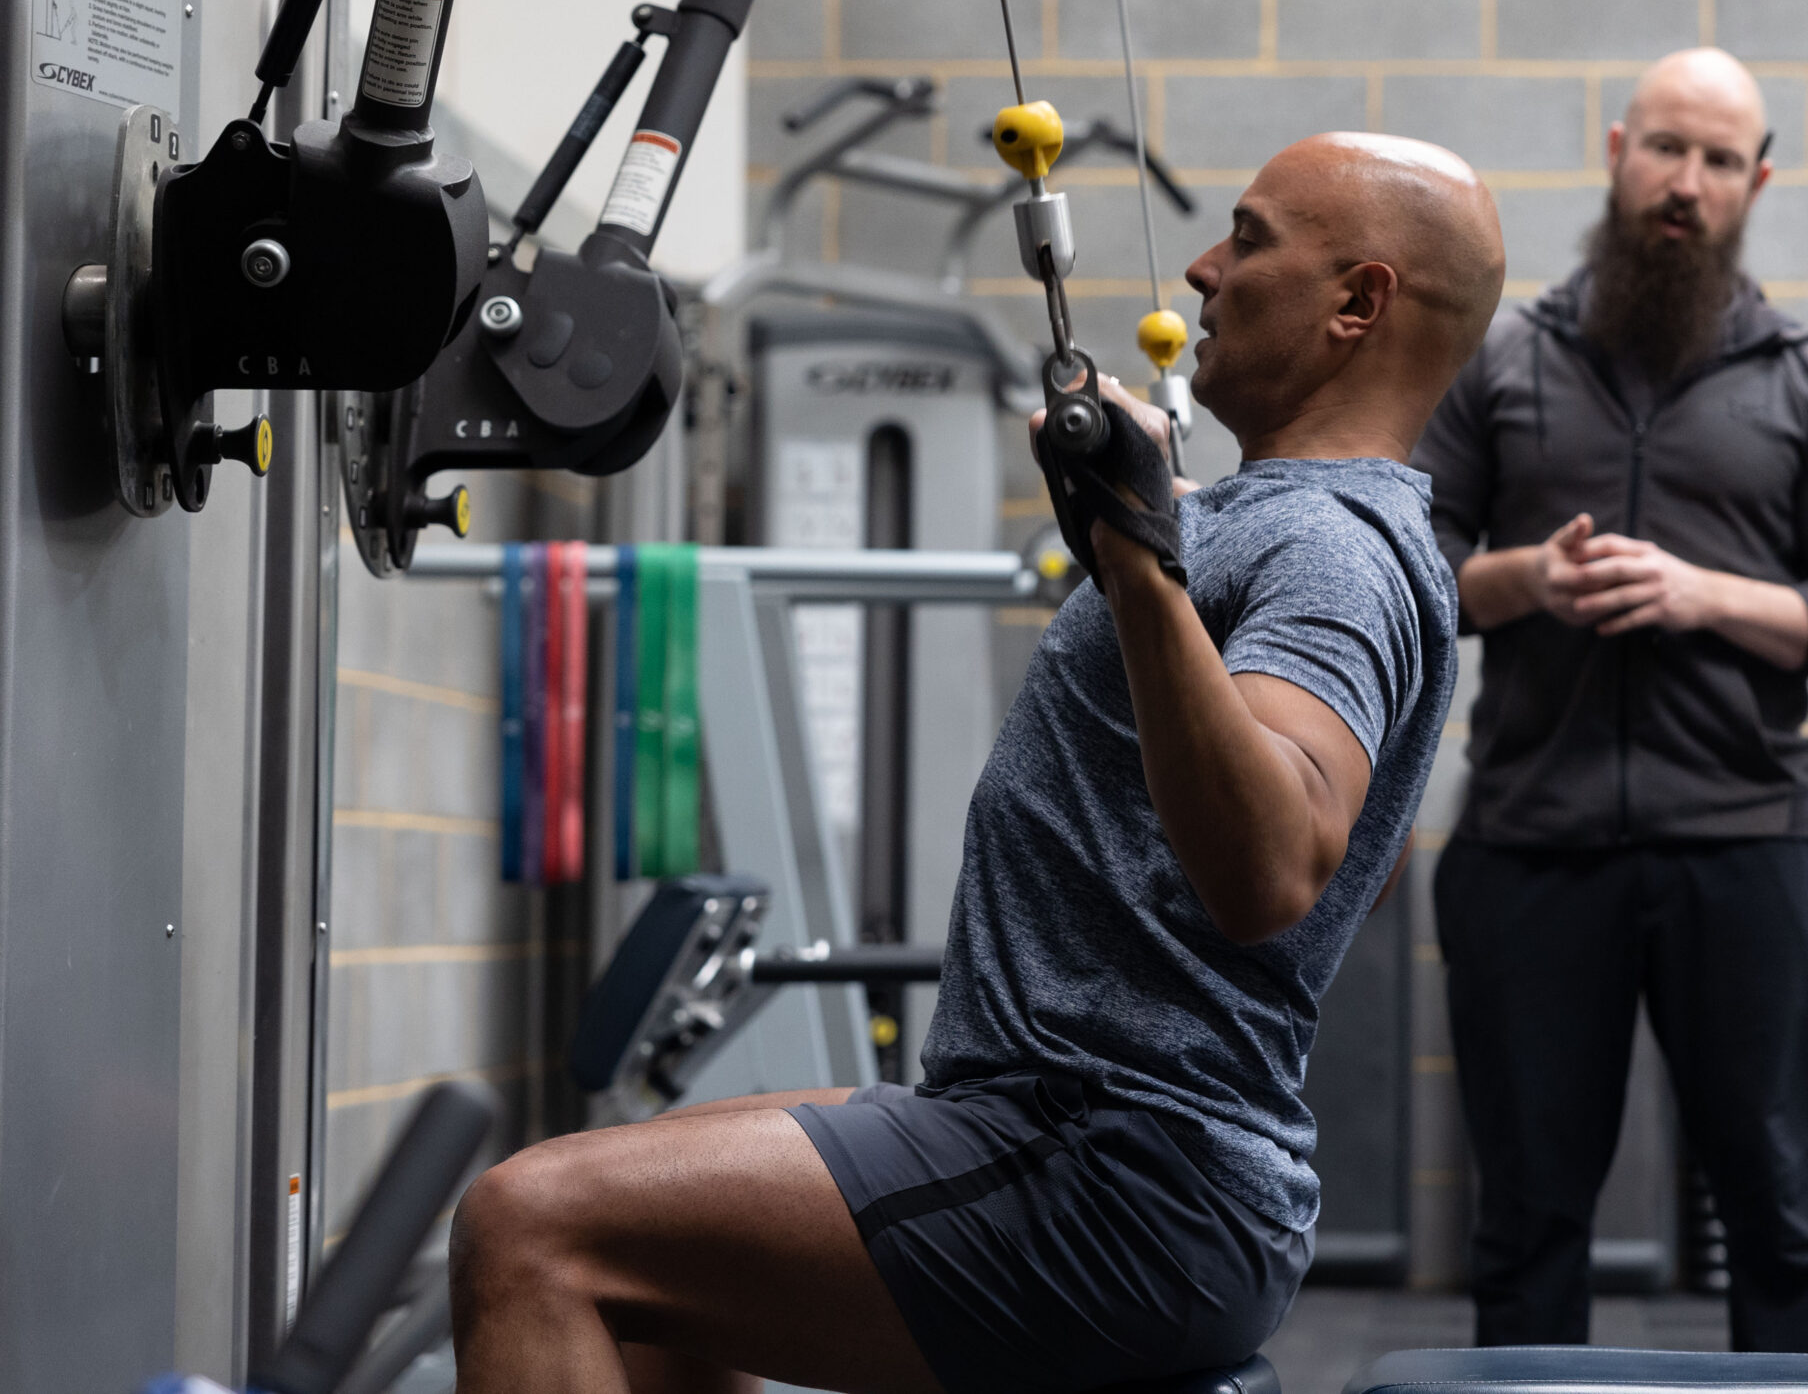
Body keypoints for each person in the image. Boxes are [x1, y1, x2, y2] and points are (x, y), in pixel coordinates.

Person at [447, 133, 1506, 1394]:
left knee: (528, 1225)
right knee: (657, 1284)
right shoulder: (1283, 523)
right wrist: (1150, 555)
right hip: (1060, 1130)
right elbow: (1349, 871)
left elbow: (1278, 866)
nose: (1207, 269)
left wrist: (1137, 562)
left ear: (1358, 302)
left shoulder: (1329, 546)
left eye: (1251, 237)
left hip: (1119, 1174)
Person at [1411, 48, 1808, 1354]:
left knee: (1789, 1219)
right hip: (1530, 844)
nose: (1683, 184)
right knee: (1526, 1227)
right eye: (1663, 150)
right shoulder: (1503, 363)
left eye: (1714, 160)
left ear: (1756, 181)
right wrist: (1527, 577)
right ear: (1614, 151)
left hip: (1749, 849)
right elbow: (1404, 574)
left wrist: (1709, 596)